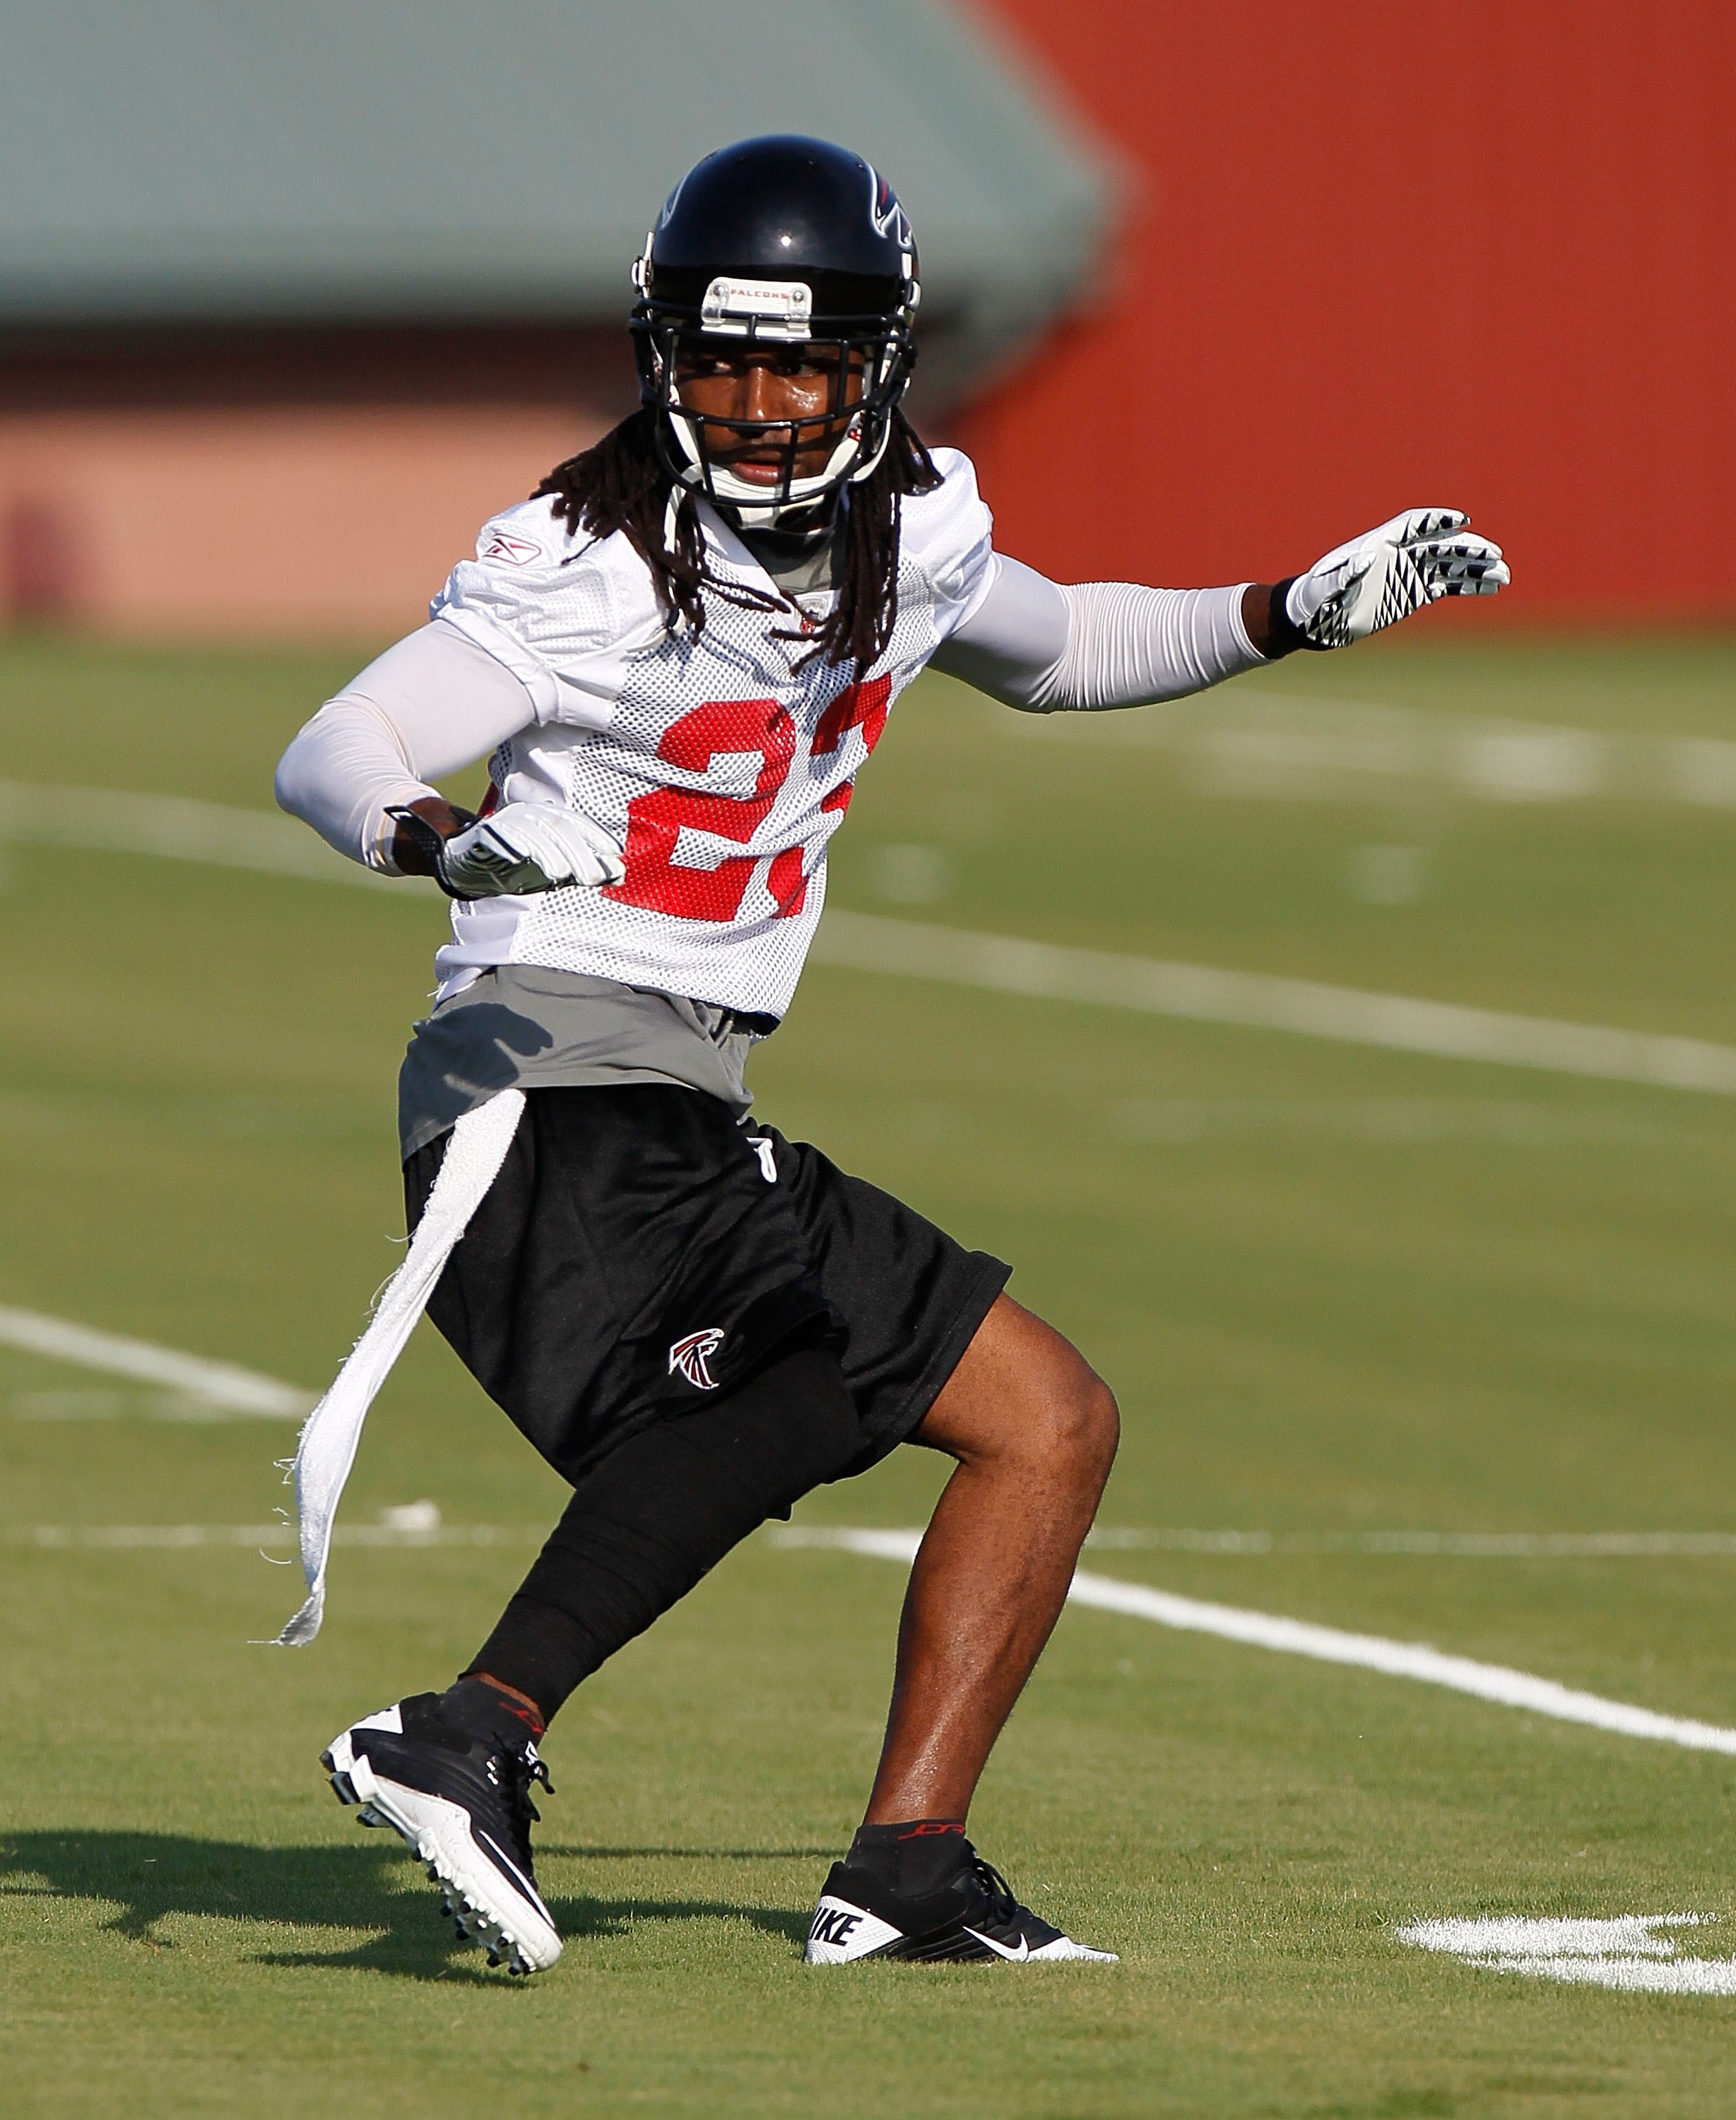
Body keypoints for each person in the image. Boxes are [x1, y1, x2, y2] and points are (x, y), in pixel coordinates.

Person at [274, 134, 1507, 1976]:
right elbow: (341, 738)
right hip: (539, 1076)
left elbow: (1070, 643)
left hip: (672, 1086)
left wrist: (1281, 615)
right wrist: (434, 835)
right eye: (719, 358)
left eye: (802, 363)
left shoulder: (912, 524)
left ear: (882, 362)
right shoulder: (587, 565)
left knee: (1036, 1418)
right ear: (656, 352)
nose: (761, 406)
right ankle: (470, 1736)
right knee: (816, 1381)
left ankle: (903, 1864)